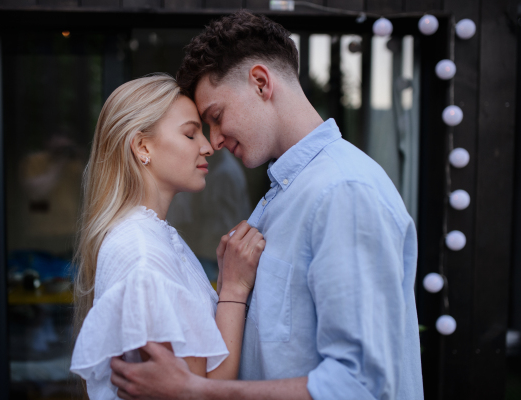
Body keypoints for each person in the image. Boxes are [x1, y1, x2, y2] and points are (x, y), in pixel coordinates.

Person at [109, 10, 423, 400]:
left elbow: (358, 385)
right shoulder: (289, 193)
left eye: (216, 117)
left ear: (260, 82)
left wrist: (194, 391)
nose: (215, 141)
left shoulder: (343, 191)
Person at [70, 74, 266, 399]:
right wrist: (233, 287)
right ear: (142, 145)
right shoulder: (143, 252)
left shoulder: (150, 234)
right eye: (190, 134)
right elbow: (204, 391)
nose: (208, 146)